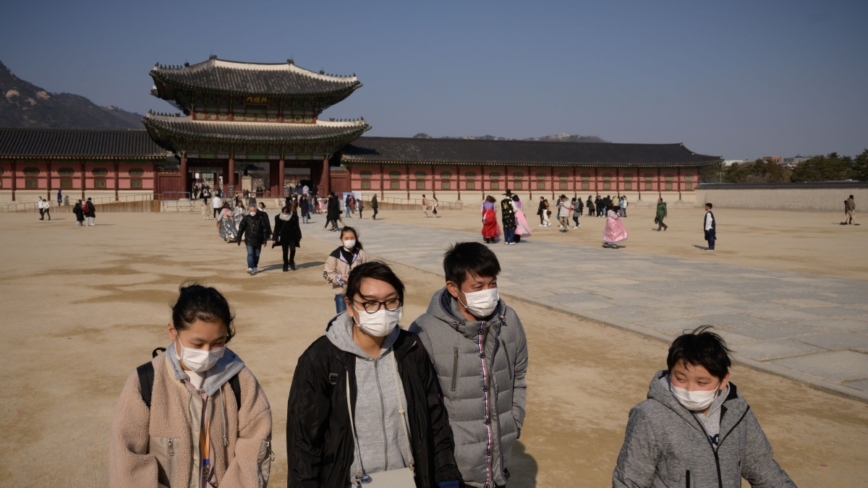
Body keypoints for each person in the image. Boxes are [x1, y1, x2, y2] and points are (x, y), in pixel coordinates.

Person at [286, 262, 463, 488]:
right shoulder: (321, 359)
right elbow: (303, 443)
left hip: (407, 481)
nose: (382, 310)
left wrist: (445, 474)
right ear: (350, 306)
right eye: (369, 303)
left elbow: (434, 418)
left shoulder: (411, 349)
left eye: (391, 301)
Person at [109, 284, 273, 488]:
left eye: (217, 343)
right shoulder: (145, 382)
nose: (207, 352)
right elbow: (127, 457)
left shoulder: (241, 380)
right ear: (173, 331)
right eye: (197, 344)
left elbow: (255, 448)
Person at [612, 326, 795, 487]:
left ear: (723, 380)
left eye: (702, 382)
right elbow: (628, 481)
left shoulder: (737, 410)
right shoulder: (649, 416)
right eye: (680, 378)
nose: (690, 389)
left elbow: (762, 468)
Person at [409, 242, 528, 488]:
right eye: (478, 287)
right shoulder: (425, 331)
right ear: (453, 288)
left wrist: (514, 421)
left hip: (498, 463)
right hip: (453, 469)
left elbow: (518, 375)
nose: (488, 292)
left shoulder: (509, 320)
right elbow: (420, 401)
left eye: (492, 284)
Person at [323, 226, 369, 314]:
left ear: (356, 238)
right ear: (341, 239)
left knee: (359, 318)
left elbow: (368, 271)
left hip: (359, 294)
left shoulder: (361, 254)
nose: (349, 240)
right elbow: (327, 273)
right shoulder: (335, 255)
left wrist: (359, 278)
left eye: (352, 238)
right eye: (346, 238)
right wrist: (340, 278)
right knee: (342, 318)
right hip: (341, 294)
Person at [237, 205, 271, 275]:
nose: (252, 212)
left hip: (259, 239)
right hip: (249, 239)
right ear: (249, 211)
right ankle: (250, 267)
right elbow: (241, 228)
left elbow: (265, 229)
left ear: (256, 211)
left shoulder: (261, 218)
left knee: (257, 254)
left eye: (254, 211)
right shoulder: (246, 218)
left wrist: (265, 239)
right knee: (250, 253)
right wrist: (239, 238)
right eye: (251, 211)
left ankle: (255, 266)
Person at [272, 204, 301, 271]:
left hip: (292, 236)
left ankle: (291, 261)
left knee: (293, 249)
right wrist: (275, 238)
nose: (285, 214)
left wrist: (299, 235)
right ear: (282, 212)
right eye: (284, 213)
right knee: (285, 251)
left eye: (286, 213)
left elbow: (297, 226)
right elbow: (276, 228)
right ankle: (285, 264)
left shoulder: (294, 217)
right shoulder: (278, 217)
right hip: (283, 237)